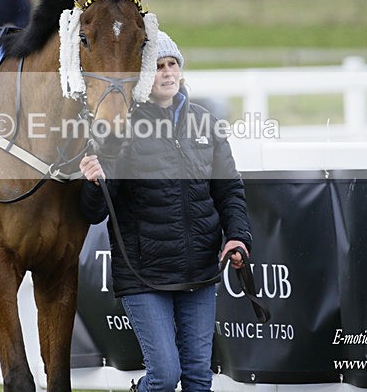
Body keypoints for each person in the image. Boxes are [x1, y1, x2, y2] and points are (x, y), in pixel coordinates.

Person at [79, 31, 252, 392]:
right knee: (164, 376)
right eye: (158, 67)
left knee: (198, 380)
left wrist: (237, 235)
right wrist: (94, 182)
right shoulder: (120, 129)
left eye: (172, 64)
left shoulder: (206, 123)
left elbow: (229, 190)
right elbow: (95, 211)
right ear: (143, 77)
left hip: (200, 272)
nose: (168, 73)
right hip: (144, 277)